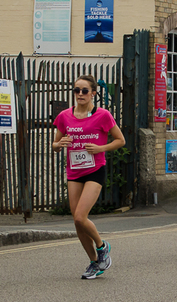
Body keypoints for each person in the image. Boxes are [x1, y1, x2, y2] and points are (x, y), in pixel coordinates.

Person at [53, 75, 126, 279]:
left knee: (79, 216)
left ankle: (102, 247)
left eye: (84, 90)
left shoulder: (103, 115)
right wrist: (61, 144)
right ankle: (95, 262)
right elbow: (54, 144)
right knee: (77, 222)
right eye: (76, 90)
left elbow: (120, 140)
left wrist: (100, 147)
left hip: (95, 170)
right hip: (74, 171)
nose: (80, 94)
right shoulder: (65, 116)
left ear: (93, 93)